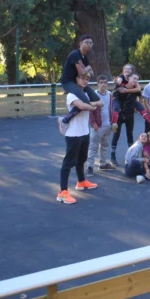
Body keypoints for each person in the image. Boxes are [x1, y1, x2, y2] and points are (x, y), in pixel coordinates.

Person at [56, 75, 103, 204]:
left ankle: (81, 182)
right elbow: (81, 106)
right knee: (68, 162)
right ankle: (62, 192)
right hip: (73, 134)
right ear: (75, 79)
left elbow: (100, 103)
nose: (85, 81)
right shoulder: (71, 94)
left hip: (85, 132)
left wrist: (90, 104)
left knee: (82, 159)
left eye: (87, 79)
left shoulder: (86, 93)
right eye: (82, 78)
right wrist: (91, 105)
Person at [57, 35, 101, 134]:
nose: (89, 45)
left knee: (96, 99)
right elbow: (82, 73)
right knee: (85, 102)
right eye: (86, 42)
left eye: (91, 43)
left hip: (78, 82)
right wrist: (88, 68)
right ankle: (64, 121)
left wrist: (87, 69)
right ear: (80, 43)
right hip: (68, 82)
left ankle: (87, 106)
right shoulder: (75, 55)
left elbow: (91, 74)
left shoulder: (85, 58)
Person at [111, 66, 150, 132]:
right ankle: (114, 123)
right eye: (125, 68)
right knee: (116, 107)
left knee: (139, 106)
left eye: (129, 69)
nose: (127, 70)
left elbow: (139, 91)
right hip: (118, 98)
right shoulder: (122, 77)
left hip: (129, 101)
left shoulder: (134, 82)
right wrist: (117, 82)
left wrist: (137, 105)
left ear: (132, 71)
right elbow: (119, 82)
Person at [86, 75, 113, 175]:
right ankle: (90, 166)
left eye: (105, 82)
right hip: (97, 125)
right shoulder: (93, 94)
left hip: (107, 124)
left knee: (104, 145)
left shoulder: (109, 94)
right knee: (93, 146)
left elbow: (111, 108)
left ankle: (102, 163)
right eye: (101, 82)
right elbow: (90, 110)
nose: (103, 84)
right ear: (97, 83)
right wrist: (93, 123)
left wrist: (112, 122)